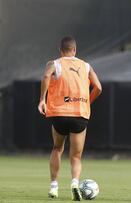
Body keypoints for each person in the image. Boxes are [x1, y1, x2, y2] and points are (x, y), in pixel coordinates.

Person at [37, 36, 102, 201]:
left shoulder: (55, 63)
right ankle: (74, 183)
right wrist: (87, 102)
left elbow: (46, 76)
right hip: (79, 115)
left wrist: (42, 100)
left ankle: (54, 187)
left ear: (61, 50)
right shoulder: (86, 66)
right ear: (75, 50)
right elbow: (98, 88)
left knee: (57, 149)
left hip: (59, 114)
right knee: (75, 156)